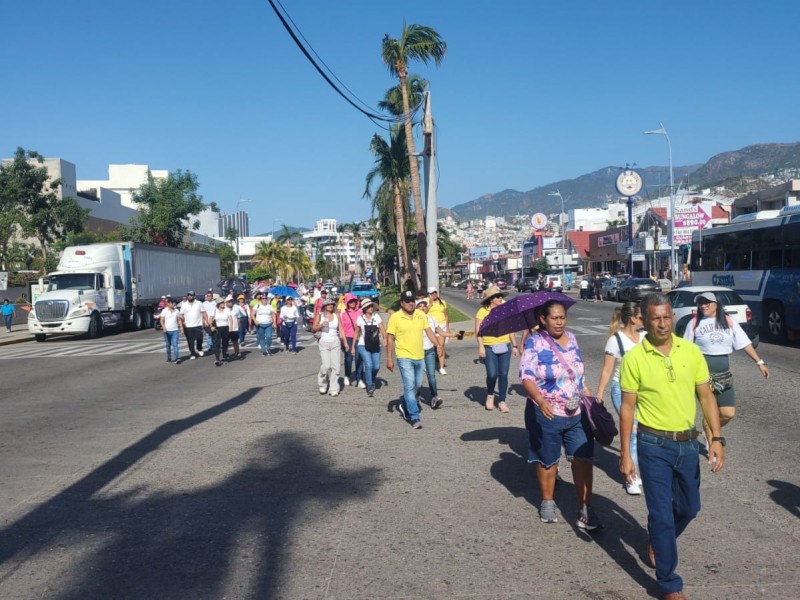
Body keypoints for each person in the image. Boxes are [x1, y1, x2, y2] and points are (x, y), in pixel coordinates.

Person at [619, 293, 724, 600]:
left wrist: (715, 438)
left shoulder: (690, 351)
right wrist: (626, 454)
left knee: (691, 507)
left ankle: (660, 540)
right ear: (643, 318)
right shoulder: (634, 358)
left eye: (667, 317)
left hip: (688, 443)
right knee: (661, 515)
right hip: (652, 444)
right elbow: (627, 408)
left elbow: (706, 396)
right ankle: (669, 583)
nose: (663, 324)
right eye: (656, 318)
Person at [520, 299, 600, 530]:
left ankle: (586, 507)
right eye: (554, 318)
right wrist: (539, 399)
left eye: (562, 317)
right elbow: (526, 376)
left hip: (576, 411)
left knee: (583, 459)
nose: (559, 322)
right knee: (548, 460)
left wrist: (585, 389)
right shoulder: (534, 342)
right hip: (546, 411)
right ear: (542, 319)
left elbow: (577, 369)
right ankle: (547, 501)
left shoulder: (572, 338)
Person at [682, 291, 769, 446]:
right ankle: (712, 446)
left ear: (716, 304)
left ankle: (709, 427)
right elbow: (684, 350)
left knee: (728, 413)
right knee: (710, 409)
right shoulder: (693, 324)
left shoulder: (728, 322)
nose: (704, 306)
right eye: (701, 303)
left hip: (724, 374)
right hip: (703, 375)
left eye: (707, 302)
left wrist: (759, 362)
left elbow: (745, 343)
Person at [595, 302, 646, 495]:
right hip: (622, 389)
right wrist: (599, 393)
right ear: (633, 318)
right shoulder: (615, 340)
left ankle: (631, 465)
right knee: (632, 432)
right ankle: (630, 477)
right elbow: (607, 370)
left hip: (644, 391)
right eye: (642, 316)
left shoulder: (645, 336)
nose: (645, 320)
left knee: (641, 432)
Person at [386, 290, 441, 430]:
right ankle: (414, 417)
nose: (411, 303)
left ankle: (404, 404)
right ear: (402, 303)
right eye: (408, 301)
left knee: (417, 385)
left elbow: (429, 332)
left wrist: (438, 345)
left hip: (419, 356)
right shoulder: (395, 318)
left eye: (412, 301)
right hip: (404, 356)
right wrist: (389, 359)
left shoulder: (421, 315)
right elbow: (390, 339)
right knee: (409, 386)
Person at [475, 285, 518, 412]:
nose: (500, 298)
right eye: (497, 296)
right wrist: (481, 347)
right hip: (489, 346)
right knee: (492, 374)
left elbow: (511, 329)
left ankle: (502, 401)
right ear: (490, 299)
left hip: (505, 345)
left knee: (503, 374)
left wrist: (514, 345)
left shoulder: (505, 310)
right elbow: (478, 331)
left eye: (501, 296)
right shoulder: (483, 311)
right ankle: (490, 395)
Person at [416, 298, 450, 409]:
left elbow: (440, 332)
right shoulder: (413, 319)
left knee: (431, 375)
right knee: (418, 377)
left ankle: (434, 397)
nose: (422, 308)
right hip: (417, 352)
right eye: (419, 306)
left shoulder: (431, 318)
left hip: (429, 350)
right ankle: (416, 397)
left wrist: (453, 334)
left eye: (424, 306)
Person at [352, 298, 387, 397]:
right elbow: (356, 333)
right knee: (368, 364)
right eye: (368, 306)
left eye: (371, 306)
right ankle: (370, 386)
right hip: (363, 345)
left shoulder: (377, 317)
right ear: (364, 308)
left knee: (376, 366)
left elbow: (383, 329)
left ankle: (370, 378)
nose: (371, 308)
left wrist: (385, 339)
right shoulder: (360, 319)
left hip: (375, 345)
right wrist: (353, 347)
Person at [312, 297, 342, 396]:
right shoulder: (320, 316)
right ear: (324, 306)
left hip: (335, 342)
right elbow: (313, 328)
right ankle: (322, 384)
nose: (330, 306)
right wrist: (321, 325)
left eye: (332, 304)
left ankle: (334, 388)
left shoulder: (336, 315)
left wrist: (345, 343)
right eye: (328, 304)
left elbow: (341, 329)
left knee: (336, 366)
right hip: (324, 342)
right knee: (326, 366)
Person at [339, 294, 364, 386]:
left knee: (359, 358)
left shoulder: (361, 312)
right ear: (347, 303)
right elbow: (341, 328)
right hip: (348, 337)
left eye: (353, 301)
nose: (352, 303)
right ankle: (347, 375)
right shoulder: (343, 313)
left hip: (359, 338)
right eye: (350, 302)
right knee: (349, 358)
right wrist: (343, 340)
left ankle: (360, 379)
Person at [427, 287, 450, 375]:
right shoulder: (426, 301)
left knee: (441, 346)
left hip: (442, 326)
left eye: (435, 292)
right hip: (430, 327)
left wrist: (447, 327)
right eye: (432, 293)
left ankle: (441, 367)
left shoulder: (442, 302)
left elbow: (446, 315)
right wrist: (430, 304)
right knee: (430, 347)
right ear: (429, 294)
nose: (434, 294)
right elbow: (423, 312)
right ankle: (428, 365)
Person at [179, 290, 204, 359]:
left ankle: (199, 348)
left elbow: (203, 312)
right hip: (188, 326)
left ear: (194, 296)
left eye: (191, 295)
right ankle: (192, 353)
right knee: (190, 340)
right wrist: (182, 325)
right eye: (188, 295)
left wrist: (205, 321)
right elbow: (181, 314)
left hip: (198, 324)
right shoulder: (184, 304)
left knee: (199, 338)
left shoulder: (199, 303)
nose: (189, 296)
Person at [159, 297, 182, 364]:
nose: (174, 305)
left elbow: (179, 320)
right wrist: (163, 327)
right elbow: (161, 320)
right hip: (167, 331)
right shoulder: (164, 311)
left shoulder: (176, 311)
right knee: (168, 345)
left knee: (175, 344)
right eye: (172, 303)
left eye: (174, 303)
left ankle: (177, 358)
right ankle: (169, 357)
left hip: (175, 330)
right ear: (168, 303)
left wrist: (181, 328)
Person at [211, 297, 233, 366]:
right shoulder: (214, 310)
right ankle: (217, 359)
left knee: (225, 343)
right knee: (217, 343)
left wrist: (230, 327)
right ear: (218, 304)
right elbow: (210, 319)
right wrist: (211, 326)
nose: (223, 304)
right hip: (217, 328)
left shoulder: (227, 310)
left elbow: (230, 319)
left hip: (225, 328)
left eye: (223, 303)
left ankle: (224, 357)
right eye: (221, 303)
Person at [201, 290, 217, 354]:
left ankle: (214, 345)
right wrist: (205, 321)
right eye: (208, 296)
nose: (209, 297)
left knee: (214, 334)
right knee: (208, 334)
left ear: (212, 297)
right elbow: (202, 313)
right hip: (207, 320)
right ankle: (209, 346)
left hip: (214, 320)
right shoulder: (204, 304)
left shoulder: (215, 303)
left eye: (210, 296)